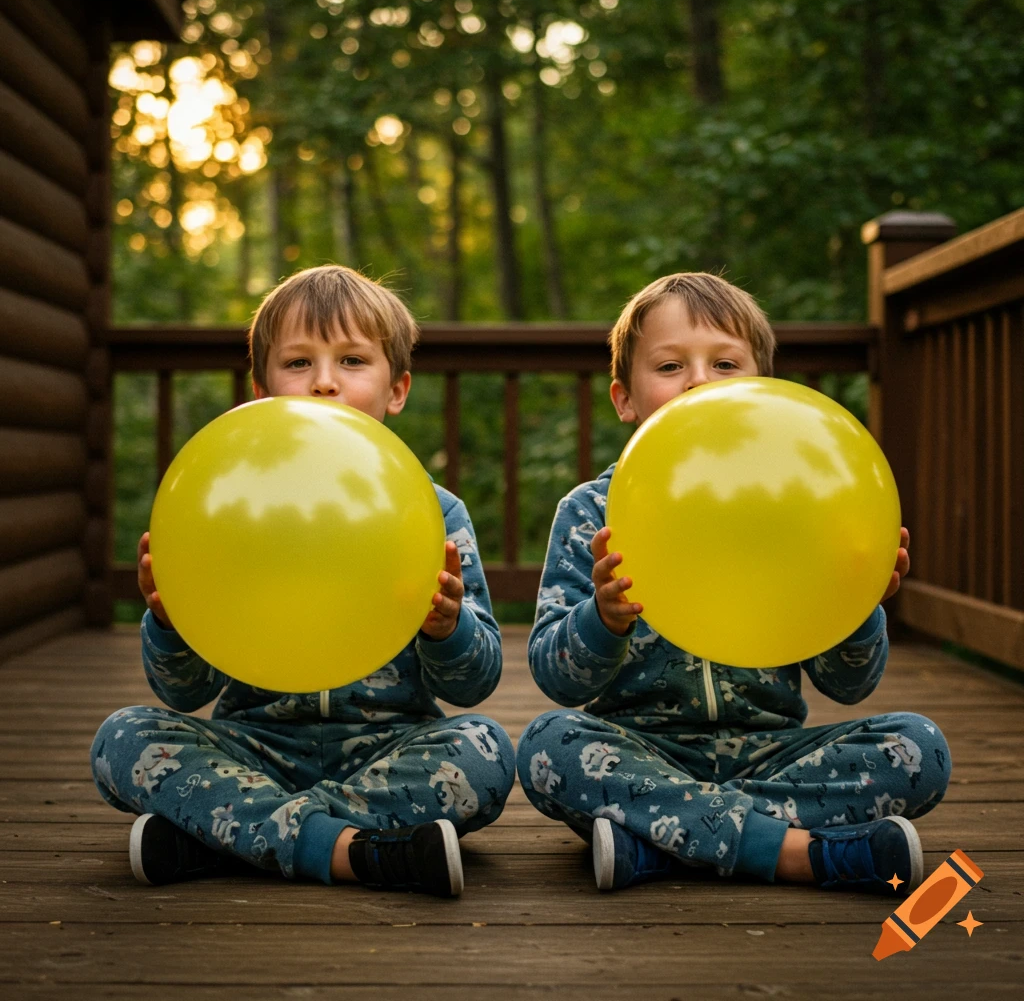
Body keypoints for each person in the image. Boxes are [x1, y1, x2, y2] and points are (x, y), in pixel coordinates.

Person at [516, 272, 949, 894]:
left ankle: (668, 843)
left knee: (920, 748)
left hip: (774, 753)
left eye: (724, 364)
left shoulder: (804, 508)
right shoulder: (591, 512)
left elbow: (850, 686)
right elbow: (557, 678)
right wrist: (603, 618)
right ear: (624, 399)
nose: (698, 382)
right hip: (642, 753)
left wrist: (855, 607)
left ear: (764, 392)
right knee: (548, 745)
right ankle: (800, 852)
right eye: (670, 366)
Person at [91, 265, 514, 897]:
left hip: (387, 751)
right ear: (261, 389)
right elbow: (183, 694)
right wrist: (172, 624)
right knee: (122, 738)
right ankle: (359, 851)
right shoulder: (228, 508)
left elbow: (473, 686)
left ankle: (229, 834)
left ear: (396, 389)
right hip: (252, 746)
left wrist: (447, 627)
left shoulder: (436, 514)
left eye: (351, 360)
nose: (323, 382)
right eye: (298, 363)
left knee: (484, 749)